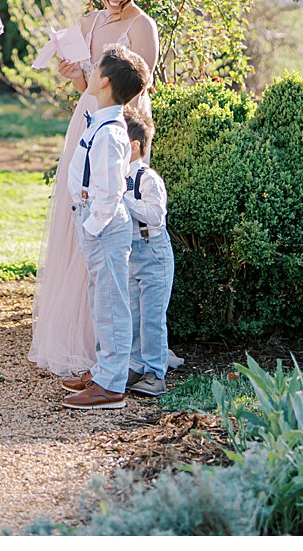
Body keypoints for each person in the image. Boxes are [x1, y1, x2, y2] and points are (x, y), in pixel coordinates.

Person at [30, 0, 160, 378]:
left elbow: (137, 88)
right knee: (80, 212)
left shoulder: (142, 26)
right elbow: (93, 83)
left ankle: (117, 346)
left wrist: (126, 138)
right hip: (86, 119)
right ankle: (82, 337)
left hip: (120, 126)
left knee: (112, 218)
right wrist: (76, 77)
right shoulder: (90, 21)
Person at [59, 45, 152, 410]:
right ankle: (103, 368)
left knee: (111, 302)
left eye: (94, 68)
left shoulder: (112, 131)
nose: (89, 70)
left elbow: (112, 189)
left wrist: (92, 226)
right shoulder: (100, 121)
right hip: (92, 218)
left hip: (104, 224)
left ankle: (111, 384)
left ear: (105, 82)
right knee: (101, 299)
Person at [121, 107, 172, 398]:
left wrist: (124, 199)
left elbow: (155, 216)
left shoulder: (147, 179)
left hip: (152, 252)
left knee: (152, 316)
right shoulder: (114, 178)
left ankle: (155, 372)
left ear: (136, 146)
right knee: (133, 314)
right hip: (130, 252)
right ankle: (135, 364)